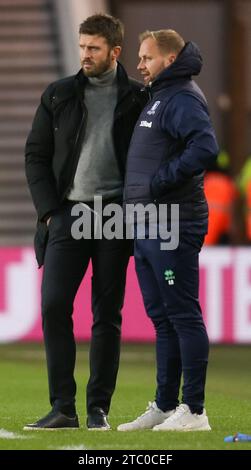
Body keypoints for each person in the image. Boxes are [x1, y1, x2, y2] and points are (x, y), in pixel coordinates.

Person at [24, 14, 146, 430]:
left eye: (93, 48)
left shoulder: (139, 98)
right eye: (81, 47)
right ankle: (63, 407)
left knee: (106, 313)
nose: (84, 55)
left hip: (116, 215)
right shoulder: (58, 94)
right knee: (54, 304)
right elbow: (35, 156)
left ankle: (98, 410)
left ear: (114, 51)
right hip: (68, 215)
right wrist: (48, 212)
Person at [118, 29, 219, 432]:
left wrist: (160, 182)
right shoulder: (160, 96)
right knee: (162, 318)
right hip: (149, 223)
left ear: (171, 59)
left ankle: (194, 410)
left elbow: (205, 147)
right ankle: (164, 404)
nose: (140, 64)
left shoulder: (181, 97)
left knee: (182, 315)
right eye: (140, 57)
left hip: (173, 222)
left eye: (147, 57)